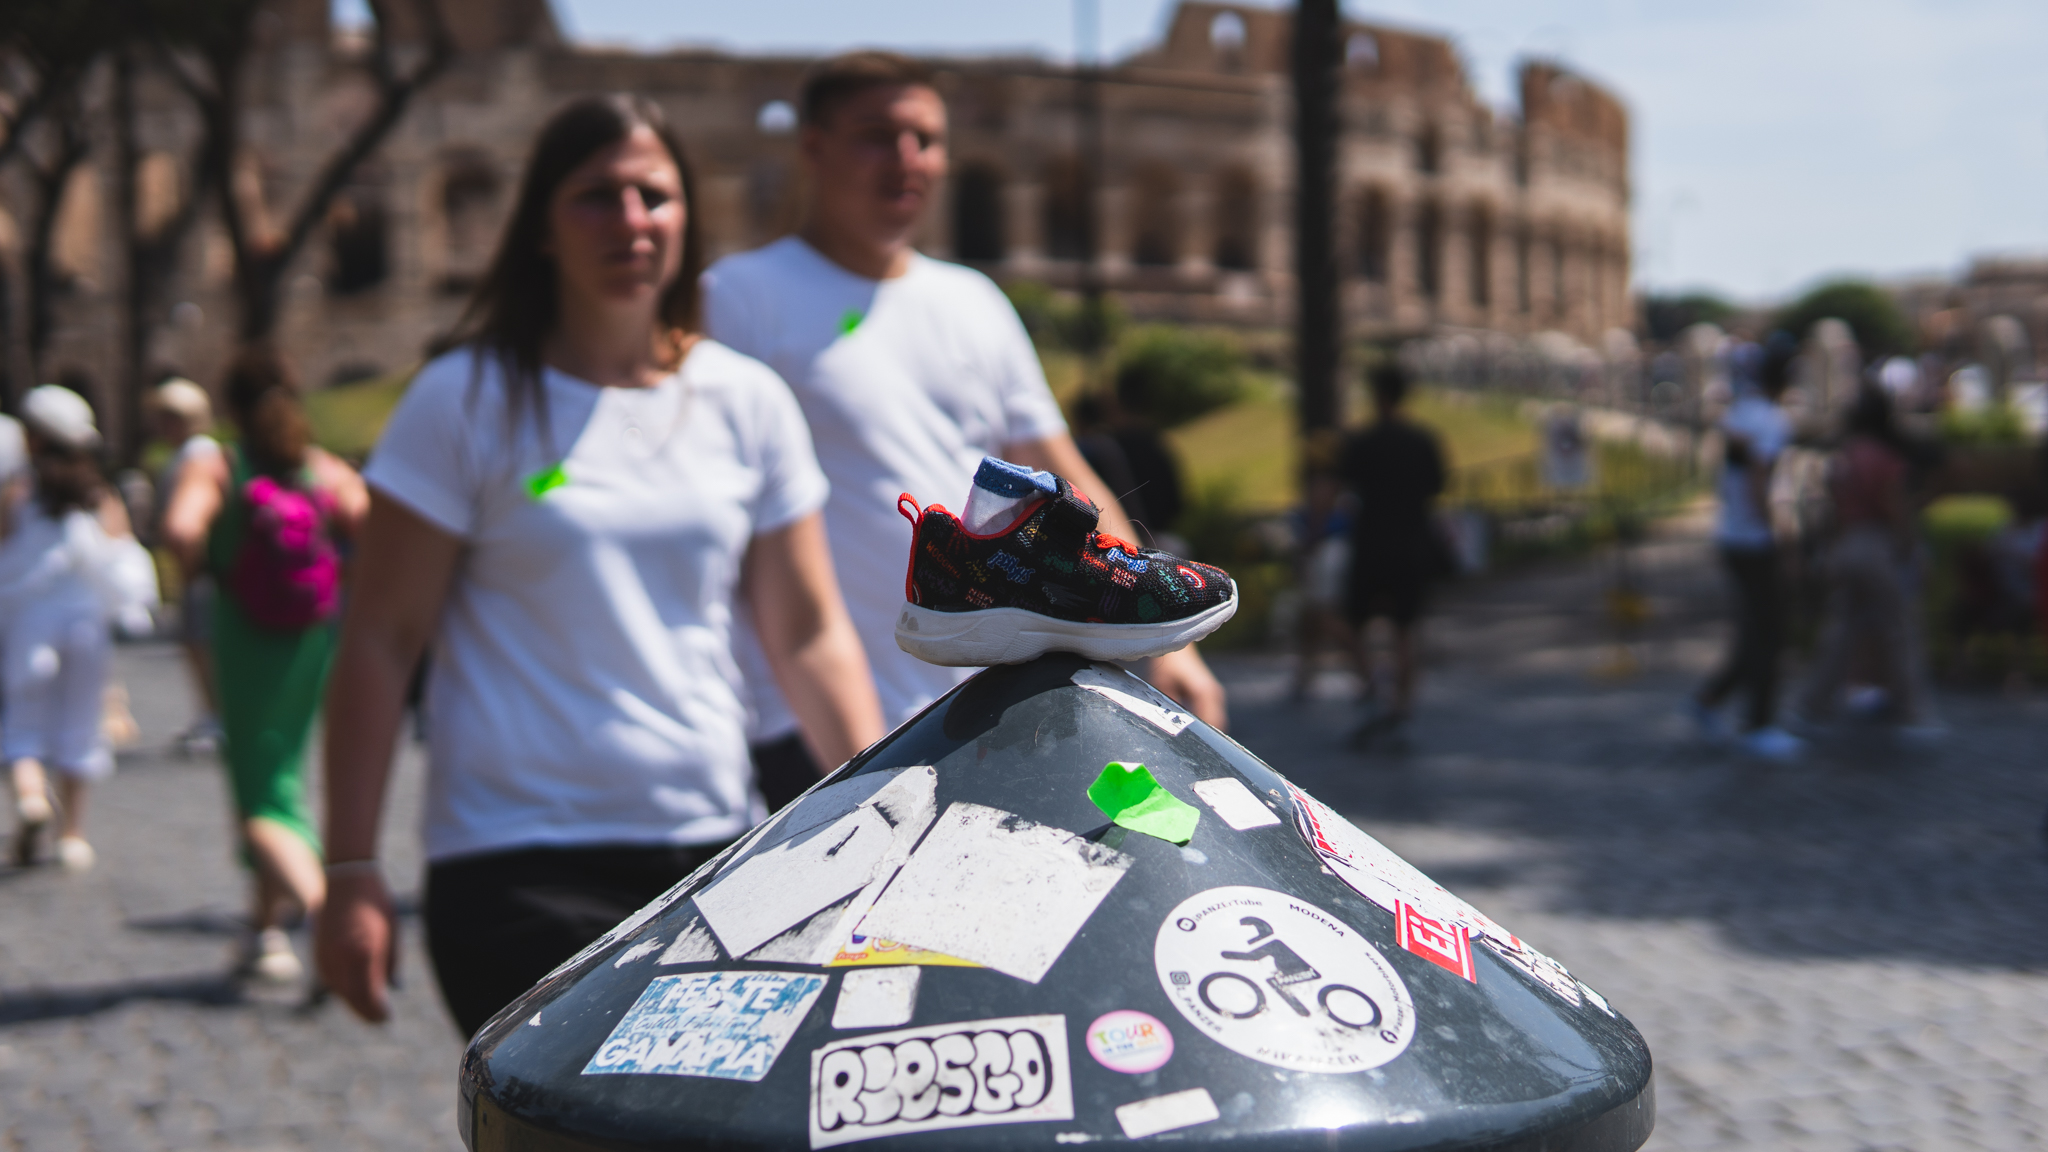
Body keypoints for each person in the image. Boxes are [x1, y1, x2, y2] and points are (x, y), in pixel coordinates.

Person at [314, 94, 885, 1036]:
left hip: (713, 848)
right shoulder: (463, 400)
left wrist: (881, 819)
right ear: (542, 223)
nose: (631, 221)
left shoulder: (746, 403)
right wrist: (349, 870)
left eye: (654, 197)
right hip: (515, 860)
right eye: (596, 196)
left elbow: (808, 631)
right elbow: (381, 638)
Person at [703, 52, 1224, 809]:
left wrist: (1162, 640)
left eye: (926, 139)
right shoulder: (737, 298)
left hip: (988, 707)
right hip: (804, 722)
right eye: (876, 136)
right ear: (812, 146)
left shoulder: (974, 300)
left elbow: (1054, 465)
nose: (906, 160)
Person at [162, 349, 367, 982]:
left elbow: (179, 529)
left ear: (231, 406)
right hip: (312, 639)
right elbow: (371, 524)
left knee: (260, 800)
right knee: (283, 773)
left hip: (248, 639)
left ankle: (324, 916)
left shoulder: (220, 463)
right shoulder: (317, 466)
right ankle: (263, 930)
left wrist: (207, 564)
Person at [2, 386, 159, 870]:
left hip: (31, 625)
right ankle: (73, 835)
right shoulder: (98, 494)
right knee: (79, 726)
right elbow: (121, 556)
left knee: (22, 725)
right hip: (85, 626)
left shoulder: (16, 493)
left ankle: (31, 796)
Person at [1792, 386, 1940, 738]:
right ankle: (1912, 712)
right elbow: (1895, 509)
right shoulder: (1886, 458)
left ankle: (1811, 706)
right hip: (1875, 544)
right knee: (1898, 630)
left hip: (1846, 544)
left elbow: (1831, 510)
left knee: (1840, 631)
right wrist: (1910, 548)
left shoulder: (1845, 456)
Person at [1687, 338, 1804, 762]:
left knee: (1755, 631)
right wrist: (1782, 536)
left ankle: (1711, 699)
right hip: (1757, 540)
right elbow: (1763, 482)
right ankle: (1760, 722)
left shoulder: (1740, 413)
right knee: (1770, 634)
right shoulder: (1772, 421)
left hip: (1732, 535)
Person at [1330, 361, 1447, 749]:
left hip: (1371, 543)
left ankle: (1371, 684)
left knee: (1350, 621)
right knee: (1406, 630)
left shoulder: (1362, 441)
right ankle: (1401, 707)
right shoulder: (1422, 440)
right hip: (1412, 542)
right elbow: (1437, 486)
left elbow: (1343, 487)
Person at [149, 378, 225, 752]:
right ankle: (211, 713)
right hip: (199, 566)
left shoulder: (196, 455)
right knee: (198, 641)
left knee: (202, 641)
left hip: (202, 566)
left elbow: (185, 525)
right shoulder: (192, 452)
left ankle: (215, 716)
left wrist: (189, 568)